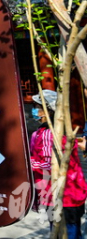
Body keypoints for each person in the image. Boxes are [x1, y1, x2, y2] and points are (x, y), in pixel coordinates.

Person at [30, 90, 87, 239]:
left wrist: (26, 163)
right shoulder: (58, 131)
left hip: (61, 194)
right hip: (69, 193)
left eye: (38, 106)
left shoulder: (49, 134)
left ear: (48, 110)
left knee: (66, 232)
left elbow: (48, 164)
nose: (35, 110)